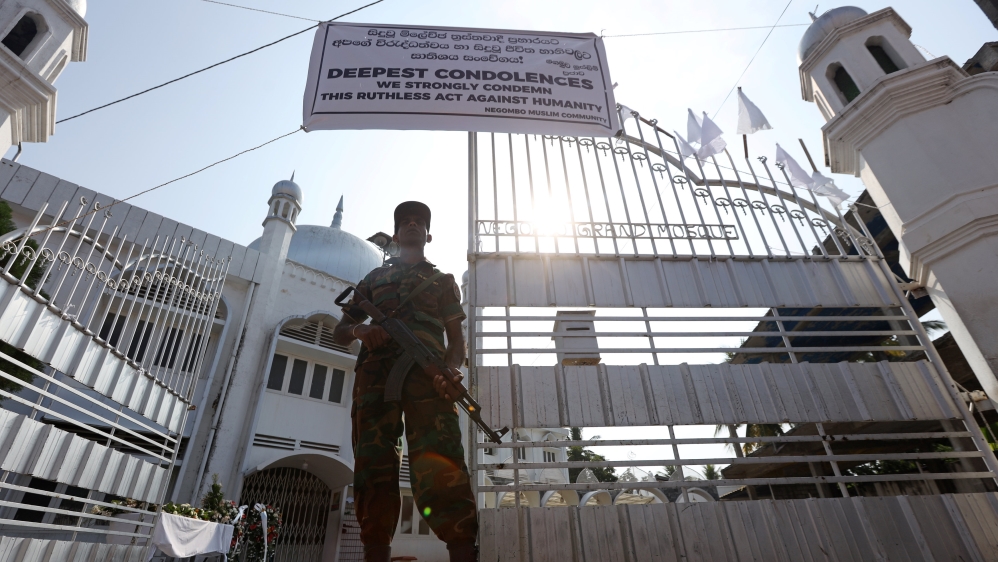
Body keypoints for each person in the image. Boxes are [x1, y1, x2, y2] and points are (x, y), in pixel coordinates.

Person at [333, 201, 478, 562]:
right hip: (374, 381)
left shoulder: (442, 281)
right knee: (373, 464)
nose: (412, 225)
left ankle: (462, 550)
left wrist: (452, 369)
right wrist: (361, 330)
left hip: (429, 381)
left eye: (419, 222)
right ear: (396, 235)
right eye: (405, 222)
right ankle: (376, 551)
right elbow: (339, 331)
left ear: (427, 235)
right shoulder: (372, 280)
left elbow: (456, 338)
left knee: (441, 464)